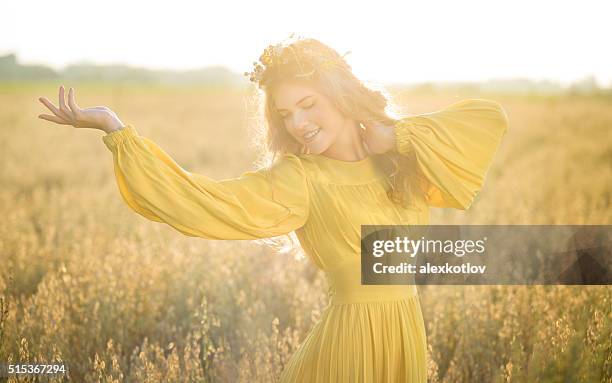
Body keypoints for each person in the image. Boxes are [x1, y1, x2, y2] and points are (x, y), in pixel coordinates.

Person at [38, 35, 509, 382]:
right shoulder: (301, 179)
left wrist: (397, 135)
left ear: (342, 96)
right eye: (286, 114)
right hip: (348, 349)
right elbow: (201, 200)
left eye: (307, 105)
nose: (299, 124)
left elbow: (489, 120)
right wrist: (115, 129)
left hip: (405, 336)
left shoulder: (400, 161)